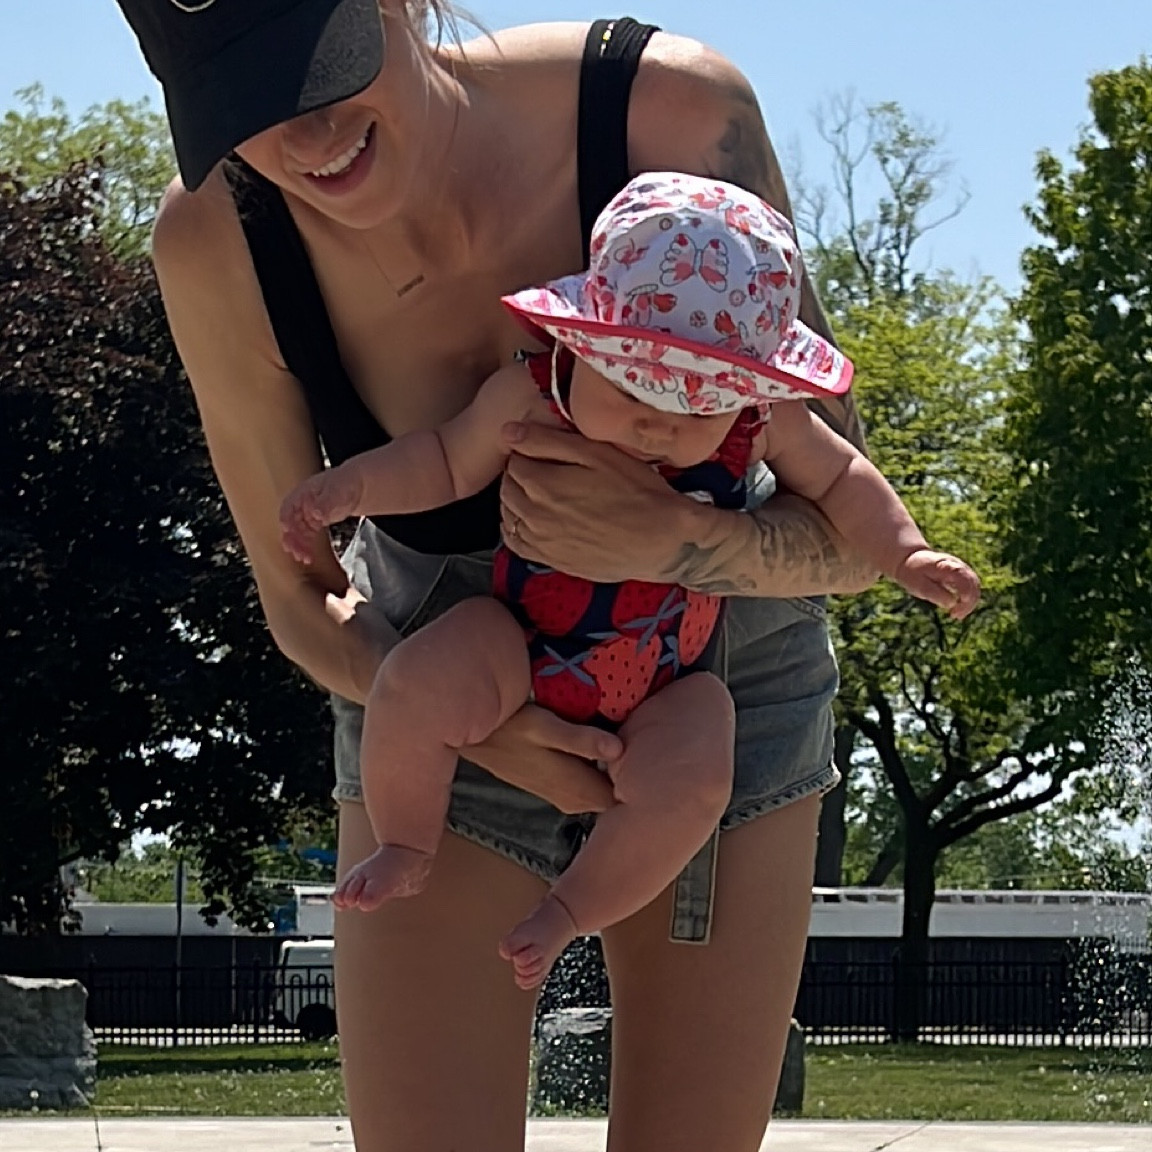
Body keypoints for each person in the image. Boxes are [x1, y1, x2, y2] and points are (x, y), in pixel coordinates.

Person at [117, 1, 892, 1148]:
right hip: (436, 689)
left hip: (709, 682)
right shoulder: (219, 240)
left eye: (322, 73)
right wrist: (484, 732)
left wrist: (668, 543)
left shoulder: (667, 112)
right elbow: (300, 604)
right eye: (244, 108)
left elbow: (851, 531)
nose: (306, 135)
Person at [279, 171, 981, 991]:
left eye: (693, 410)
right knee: (416, 678)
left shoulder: (760, 420)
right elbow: (440, 461)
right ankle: (406, 838)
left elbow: (843, 480)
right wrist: (348, 490)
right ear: (580, 343)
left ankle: (568, 913)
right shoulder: (530, 396)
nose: (656, 421)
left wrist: (907, 553)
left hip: (667, 681)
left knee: (697, 778)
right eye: (630, 386)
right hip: (519, 638)